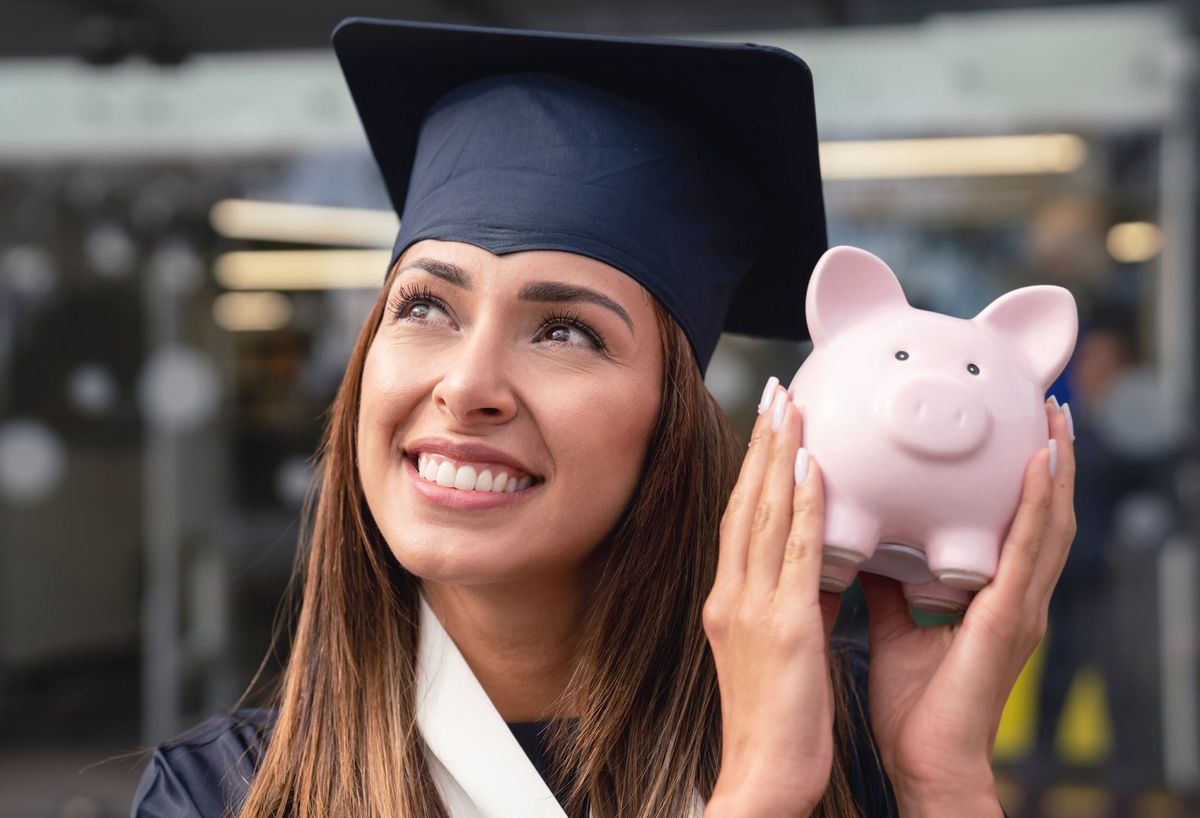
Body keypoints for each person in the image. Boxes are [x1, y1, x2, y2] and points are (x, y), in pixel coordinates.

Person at [130, 19, 1077, 818]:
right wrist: (755, 795)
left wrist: (939, 777)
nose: (468, 386)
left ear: (673, 419)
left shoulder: (853, 754)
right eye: (426, 307)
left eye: (566, 332)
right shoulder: (225, 795)